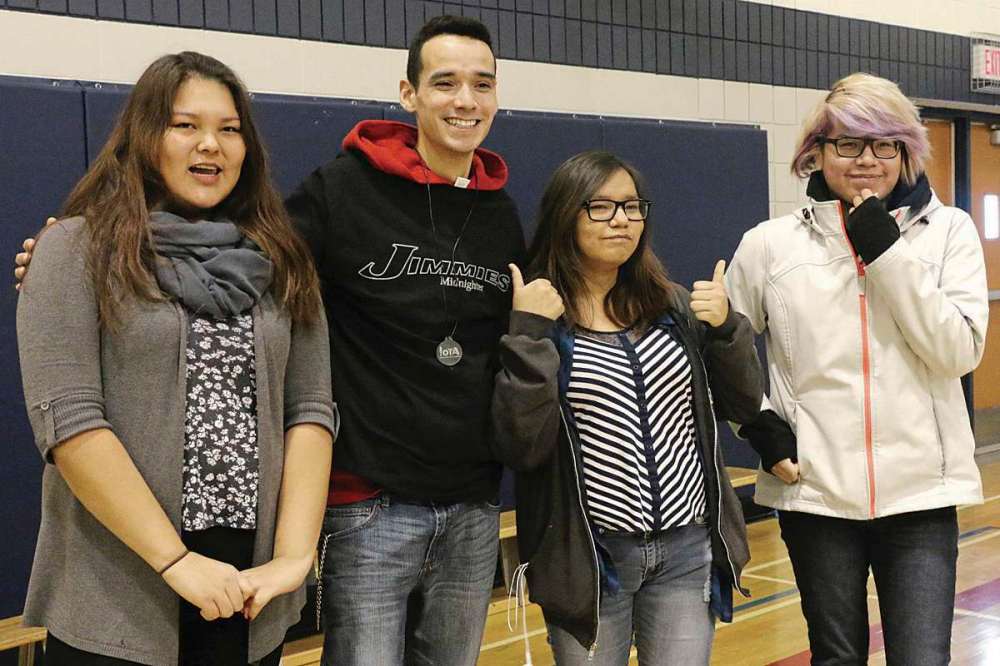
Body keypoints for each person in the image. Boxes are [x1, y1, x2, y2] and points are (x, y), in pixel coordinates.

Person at [16, 51, 336, 666]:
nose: (210, 144)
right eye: (185, 125)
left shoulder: (282, 260)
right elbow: (70, 423)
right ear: (144, 135)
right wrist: (175, 560)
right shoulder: (74, 250)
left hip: (250, 588)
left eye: (229, 128)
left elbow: (311, 412)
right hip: (125, 586)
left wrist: (293, 560)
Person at [282, 15, 538, 666]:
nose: (465, 101)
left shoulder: (500, 213)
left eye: (482, 85)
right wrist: (87, 250)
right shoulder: (344, 188)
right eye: (445, 83)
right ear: (409, 94)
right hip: (370, 503)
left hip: (474, 504)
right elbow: (249, 257)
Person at [726, 73, 987, 665]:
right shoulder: (770, 245)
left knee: (922, 658)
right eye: (848, 143)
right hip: (816, 495)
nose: (867, 159)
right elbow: (726, 355)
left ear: (905, 153)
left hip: (921, 495)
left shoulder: (949, 233)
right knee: (836, 656)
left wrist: (887, 253)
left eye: (885, 145)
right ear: (816, 152)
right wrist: (760, 431)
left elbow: (957, 351)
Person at [492, 150, 763, 664]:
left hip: (687, 550)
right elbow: (519, 445)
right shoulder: (542, 316)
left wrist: (728, 329)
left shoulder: (675, 307)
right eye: (599, 206)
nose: (620, 219)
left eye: (632, 206)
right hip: (592, 562)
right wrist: (526, 336)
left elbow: (746, 404)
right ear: (565, 215)